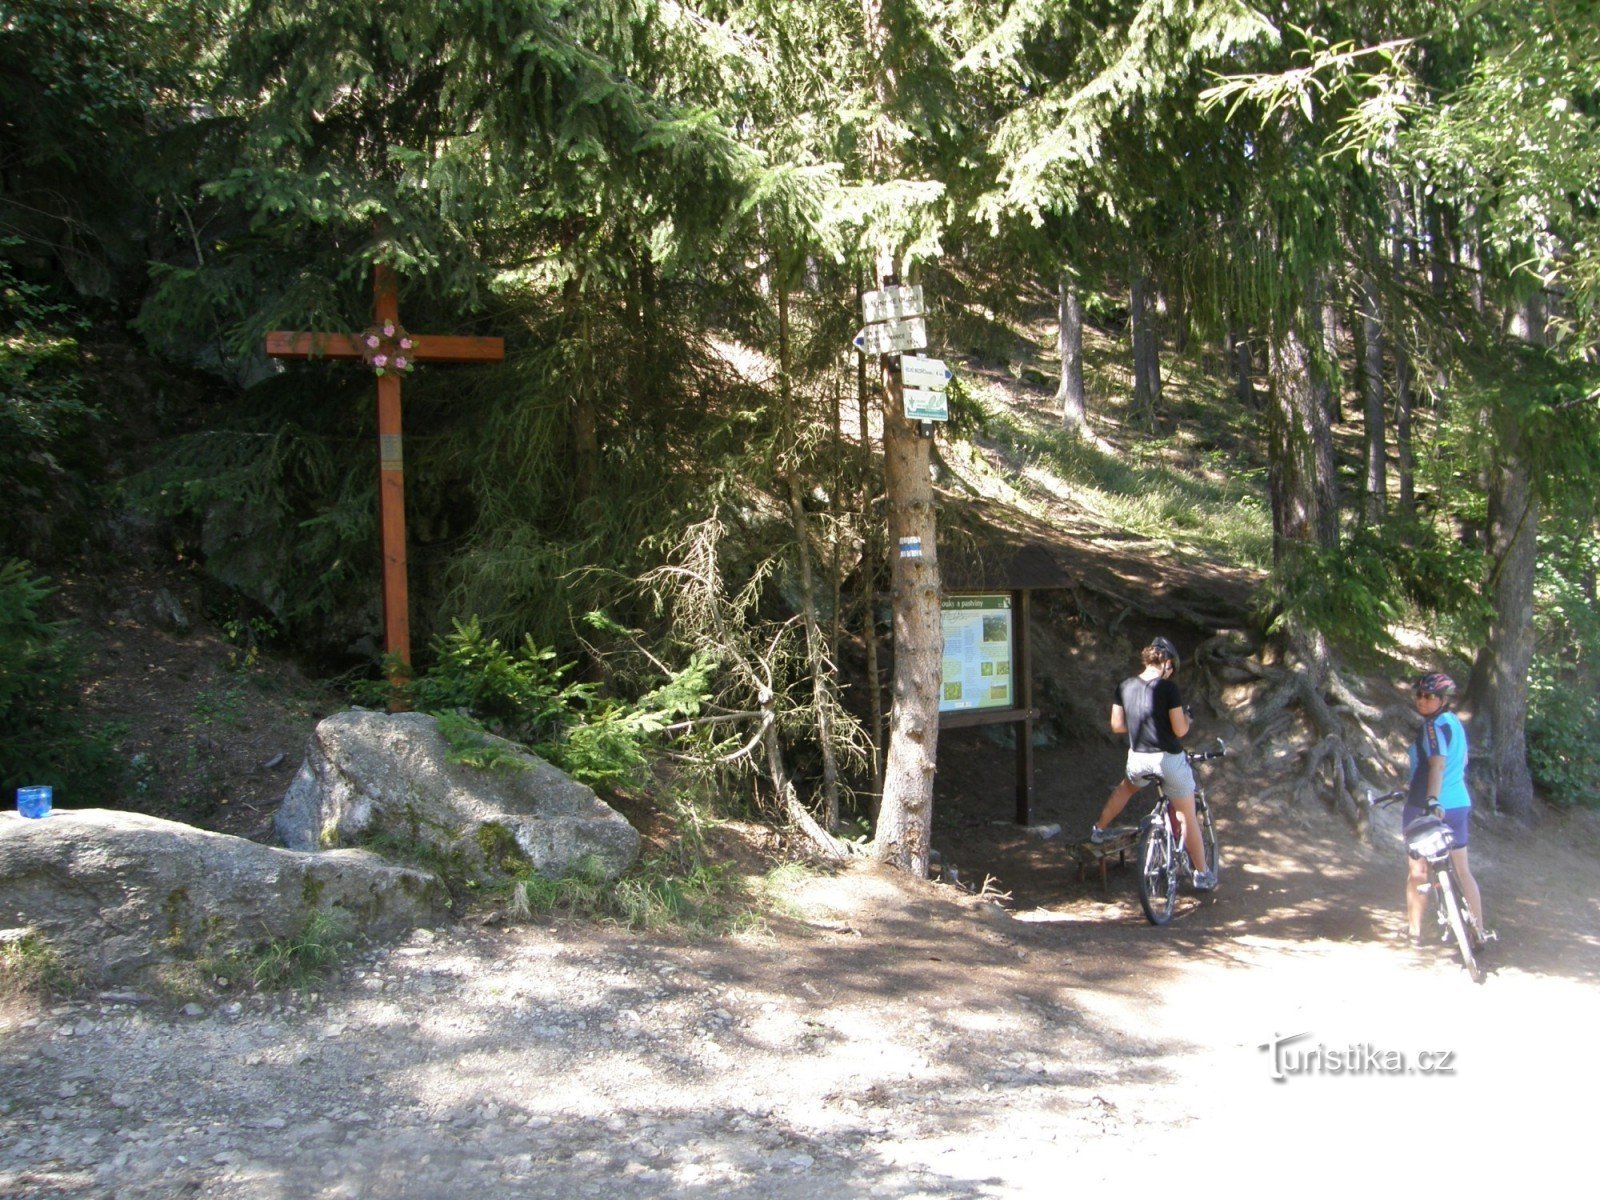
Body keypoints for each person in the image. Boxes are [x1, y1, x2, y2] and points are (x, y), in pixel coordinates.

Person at [1089, 637, 1213, 890]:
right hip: (1167, 759)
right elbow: (1179, 731)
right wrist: (1187, 719)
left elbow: (1117, 726)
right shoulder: (1168, 689)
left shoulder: (1124, 686)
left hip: (1138, 758)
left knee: (1124, 789)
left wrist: (1141, 725)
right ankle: (1202, 874)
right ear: (1167, 663)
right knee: (1187, 814)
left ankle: (1098, 829)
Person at [1402, 672, 1486, 943]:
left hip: (1425, 805)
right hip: (1459, 803)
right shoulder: (1455, 724)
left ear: (1442, 699)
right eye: (1419, 695)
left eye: (1429, 696)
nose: (1422, 700)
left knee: (1418, 871)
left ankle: (1414, 931)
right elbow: (1458, 763)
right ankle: (1479, 932)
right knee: (1463, 870)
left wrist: (1432, 799)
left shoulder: (1433, 726)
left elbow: (1437, 764)